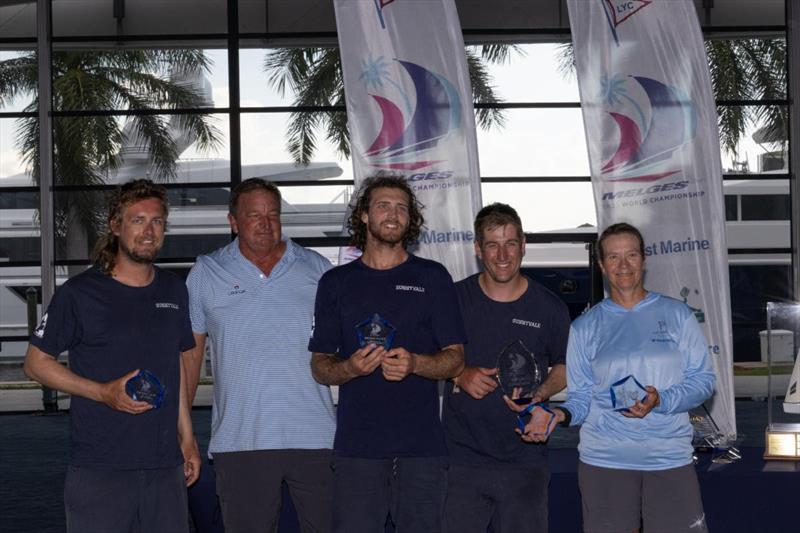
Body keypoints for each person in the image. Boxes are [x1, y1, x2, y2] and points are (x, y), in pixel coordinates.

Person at [23, 179, 200, 533]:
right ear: (115, 226)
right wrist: (103, 392)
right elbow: (35, 363)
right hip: (100, 468)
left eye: (157, 221)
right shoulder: (80, 293)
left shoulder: (174, 290)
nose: (148, 231)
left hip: (164, 467)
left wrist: (188, 437)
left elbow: (175, 366)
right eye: (137, 221)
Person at [518, 222, 714, 533]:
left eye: (631, 255)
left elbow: (703, 381)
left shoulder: (677, 314)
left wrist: (661, 400)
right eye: (613, 257)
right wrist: (558, 413)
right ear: (601, 265)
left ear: (644, 260)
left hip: (668, 456)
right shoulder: (585, 327)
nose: (623, 265)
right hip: (605, 459)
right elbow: (581, 398)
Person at [309, 175, 466, 533]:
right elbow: (320, 367)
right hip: (357, 450)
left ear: (410, 219)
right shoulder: (336, 283)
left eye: (401, 208)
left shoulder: (433, 277)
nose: (392, 214)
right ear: (364, 215)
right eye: (383, 205)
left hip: (422, 449)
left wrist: (416, 363)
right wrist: (349, 367)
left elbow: (455, 358)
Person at [184, 178, 335, 532]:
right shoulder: (206, 272)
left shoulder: (317, 269)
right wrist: (184, 431)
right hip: (241, 438)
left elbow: (340, 350)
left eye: (273, 214)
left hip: (317, 437)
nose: (265, 223)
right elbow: (190, 357)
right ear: (233, 221)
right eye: (254, 215)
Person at [442, 203, 570, 533]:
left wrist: (539, 394)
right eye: (492, 244)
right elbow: (425, 357)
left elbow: (564, 367)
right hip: (462, 461)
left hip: (525, 460)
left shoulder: (549, 307)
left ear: (523, 245)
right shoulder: (454, 299)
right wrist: (459, 373)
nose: (502, 254)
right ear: (477, 249)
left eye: (510, 243)